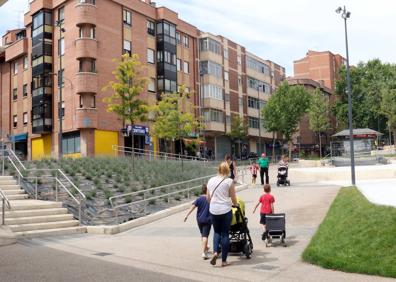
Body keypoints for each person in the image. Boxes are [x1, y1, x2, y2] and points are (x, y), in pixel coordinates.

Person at [207, 161, 238, 267]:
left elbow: (208, 198)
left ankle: (215, 252)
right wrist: (236, 204)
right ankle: (224, 261)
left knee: (216, 232)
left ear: (218, 169)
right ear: (227, 170)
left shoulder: (210, 180)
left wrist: (213, 204)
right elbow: (233, 197)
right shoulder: (229, 181)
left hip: (214, 210)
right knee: (225, 233)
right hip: (225, 210)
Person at [184, 184, 211, 259]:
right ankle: (203, 252)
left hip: (199, 220)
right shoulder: (210, 199)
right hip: (207, 219)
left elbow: (192, 207)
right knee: (205, 236)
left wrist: (187, 215)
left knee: (203, 234)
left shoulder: (199, 199)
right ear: (207, 190)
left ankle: (206, 247)